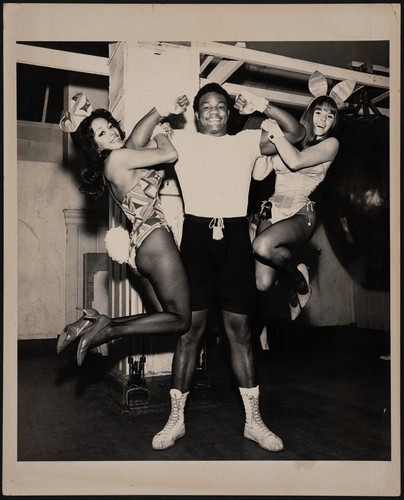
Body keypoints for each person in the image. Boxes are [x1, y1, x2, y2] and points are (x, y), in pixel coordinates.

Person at [129, 82, 305, 452]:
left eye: (220, 106)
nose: (213, 111)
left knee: (240, 333)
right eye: (205, 106)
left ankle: (253, 422)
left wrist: (263, 104)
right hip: (195, 240)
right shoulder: (180, 142)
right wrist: (160, 108)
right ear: (195, 113)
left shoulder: (247, 141)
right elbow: (135, 144)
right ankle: (175, 420)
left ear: (230, 112)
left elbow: (297, 133)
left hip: (237, 239)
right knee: (188, 333)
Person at [57, 92, 192, 367]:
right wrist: (163, 133)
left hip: (140, 249)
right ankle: (108, 328)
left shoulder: (119, 158)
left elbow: (136, 137)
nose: (111, 134)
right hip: (155, 240)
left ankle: (96, 323)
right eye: (101, 134)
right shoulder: (117, 161)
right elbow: (170, 154)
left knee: (166, 318)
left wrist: (161, 110)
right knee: (181, 319)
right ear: (95, 147)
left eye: (110, 127)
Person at [251, 71, 355, 321]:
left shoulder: (331, 145)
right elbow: (258, 175)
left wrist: (275, 131)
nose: (324, 119)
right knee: (262, 284)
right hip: (272, 209)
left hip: (300, 211)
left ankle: (300, 281)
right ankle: (292, 282)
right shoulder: (291, 139)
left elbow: (296, 162)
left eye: (330, 115)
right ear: (309, 113)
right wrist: (263, 141)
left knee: (262, 245)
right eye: (319, 112)